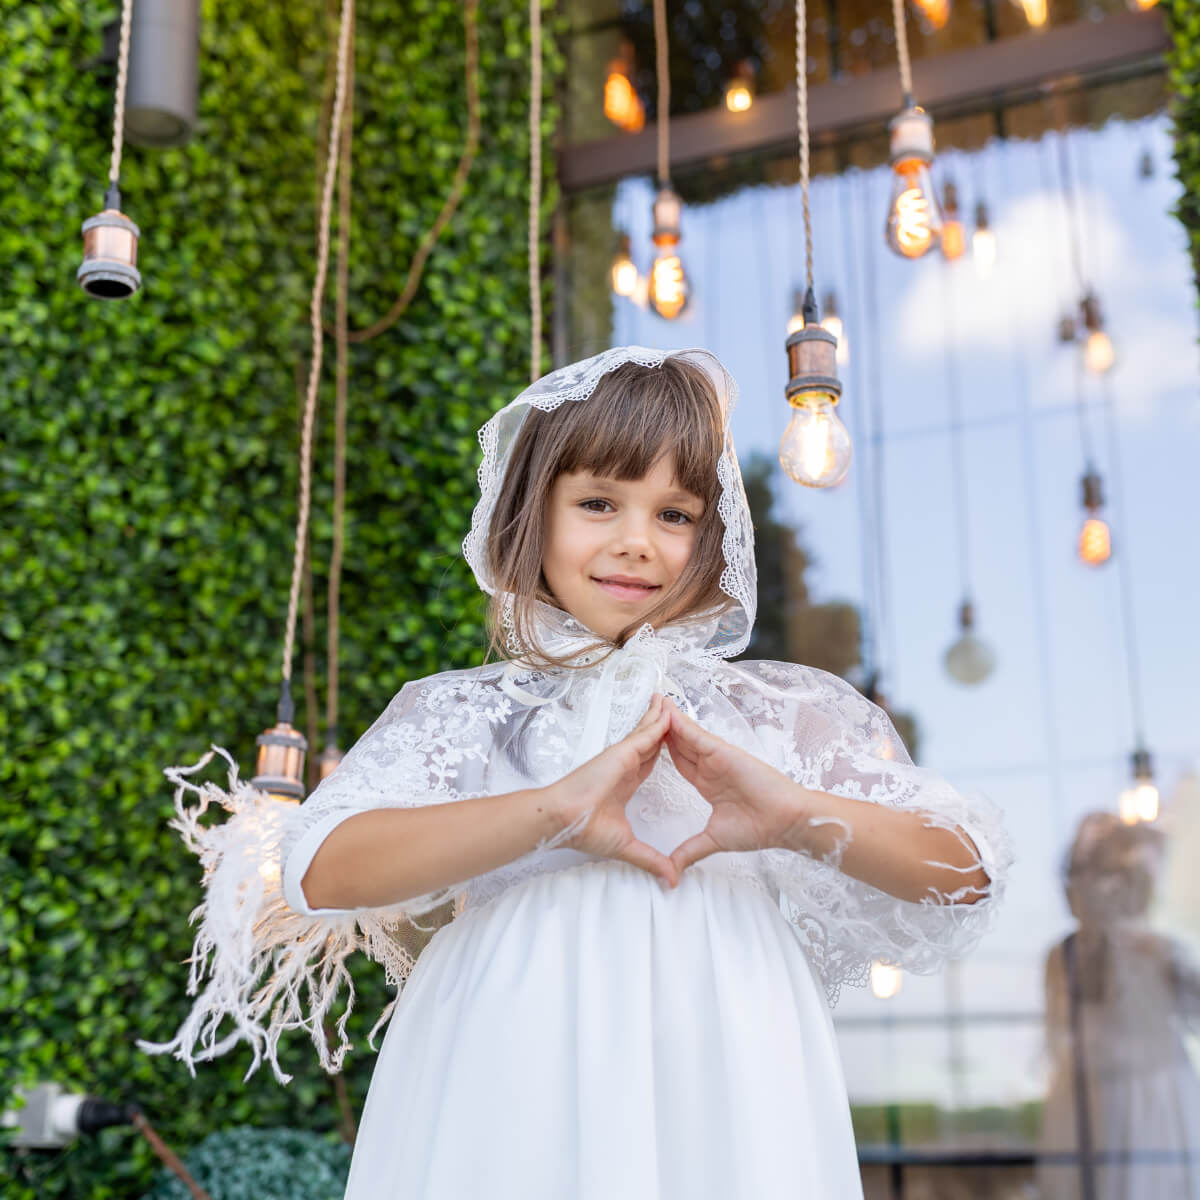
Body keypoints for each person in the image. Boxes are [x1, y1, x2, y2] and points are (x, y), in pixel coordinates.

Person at [141, 346, 1012, 1199]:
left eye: (674, 515)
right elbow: (320, 867)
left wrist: (787, 814)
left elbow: (964, 870)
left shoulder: (778, 712)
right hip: (508, 1051)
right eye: (599, 501)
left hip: (725, 1047)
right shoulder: (468, 712)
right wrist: (550, 812)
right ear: (532, 513)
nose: (637, 542)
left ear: (715, 534)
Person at [1037, 811, 1200, 1200]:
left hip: (1152, 1094)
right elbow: (1058, 1030)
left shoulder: (1159, 951)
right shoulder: (1063, 956)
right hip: (1090, 1094)